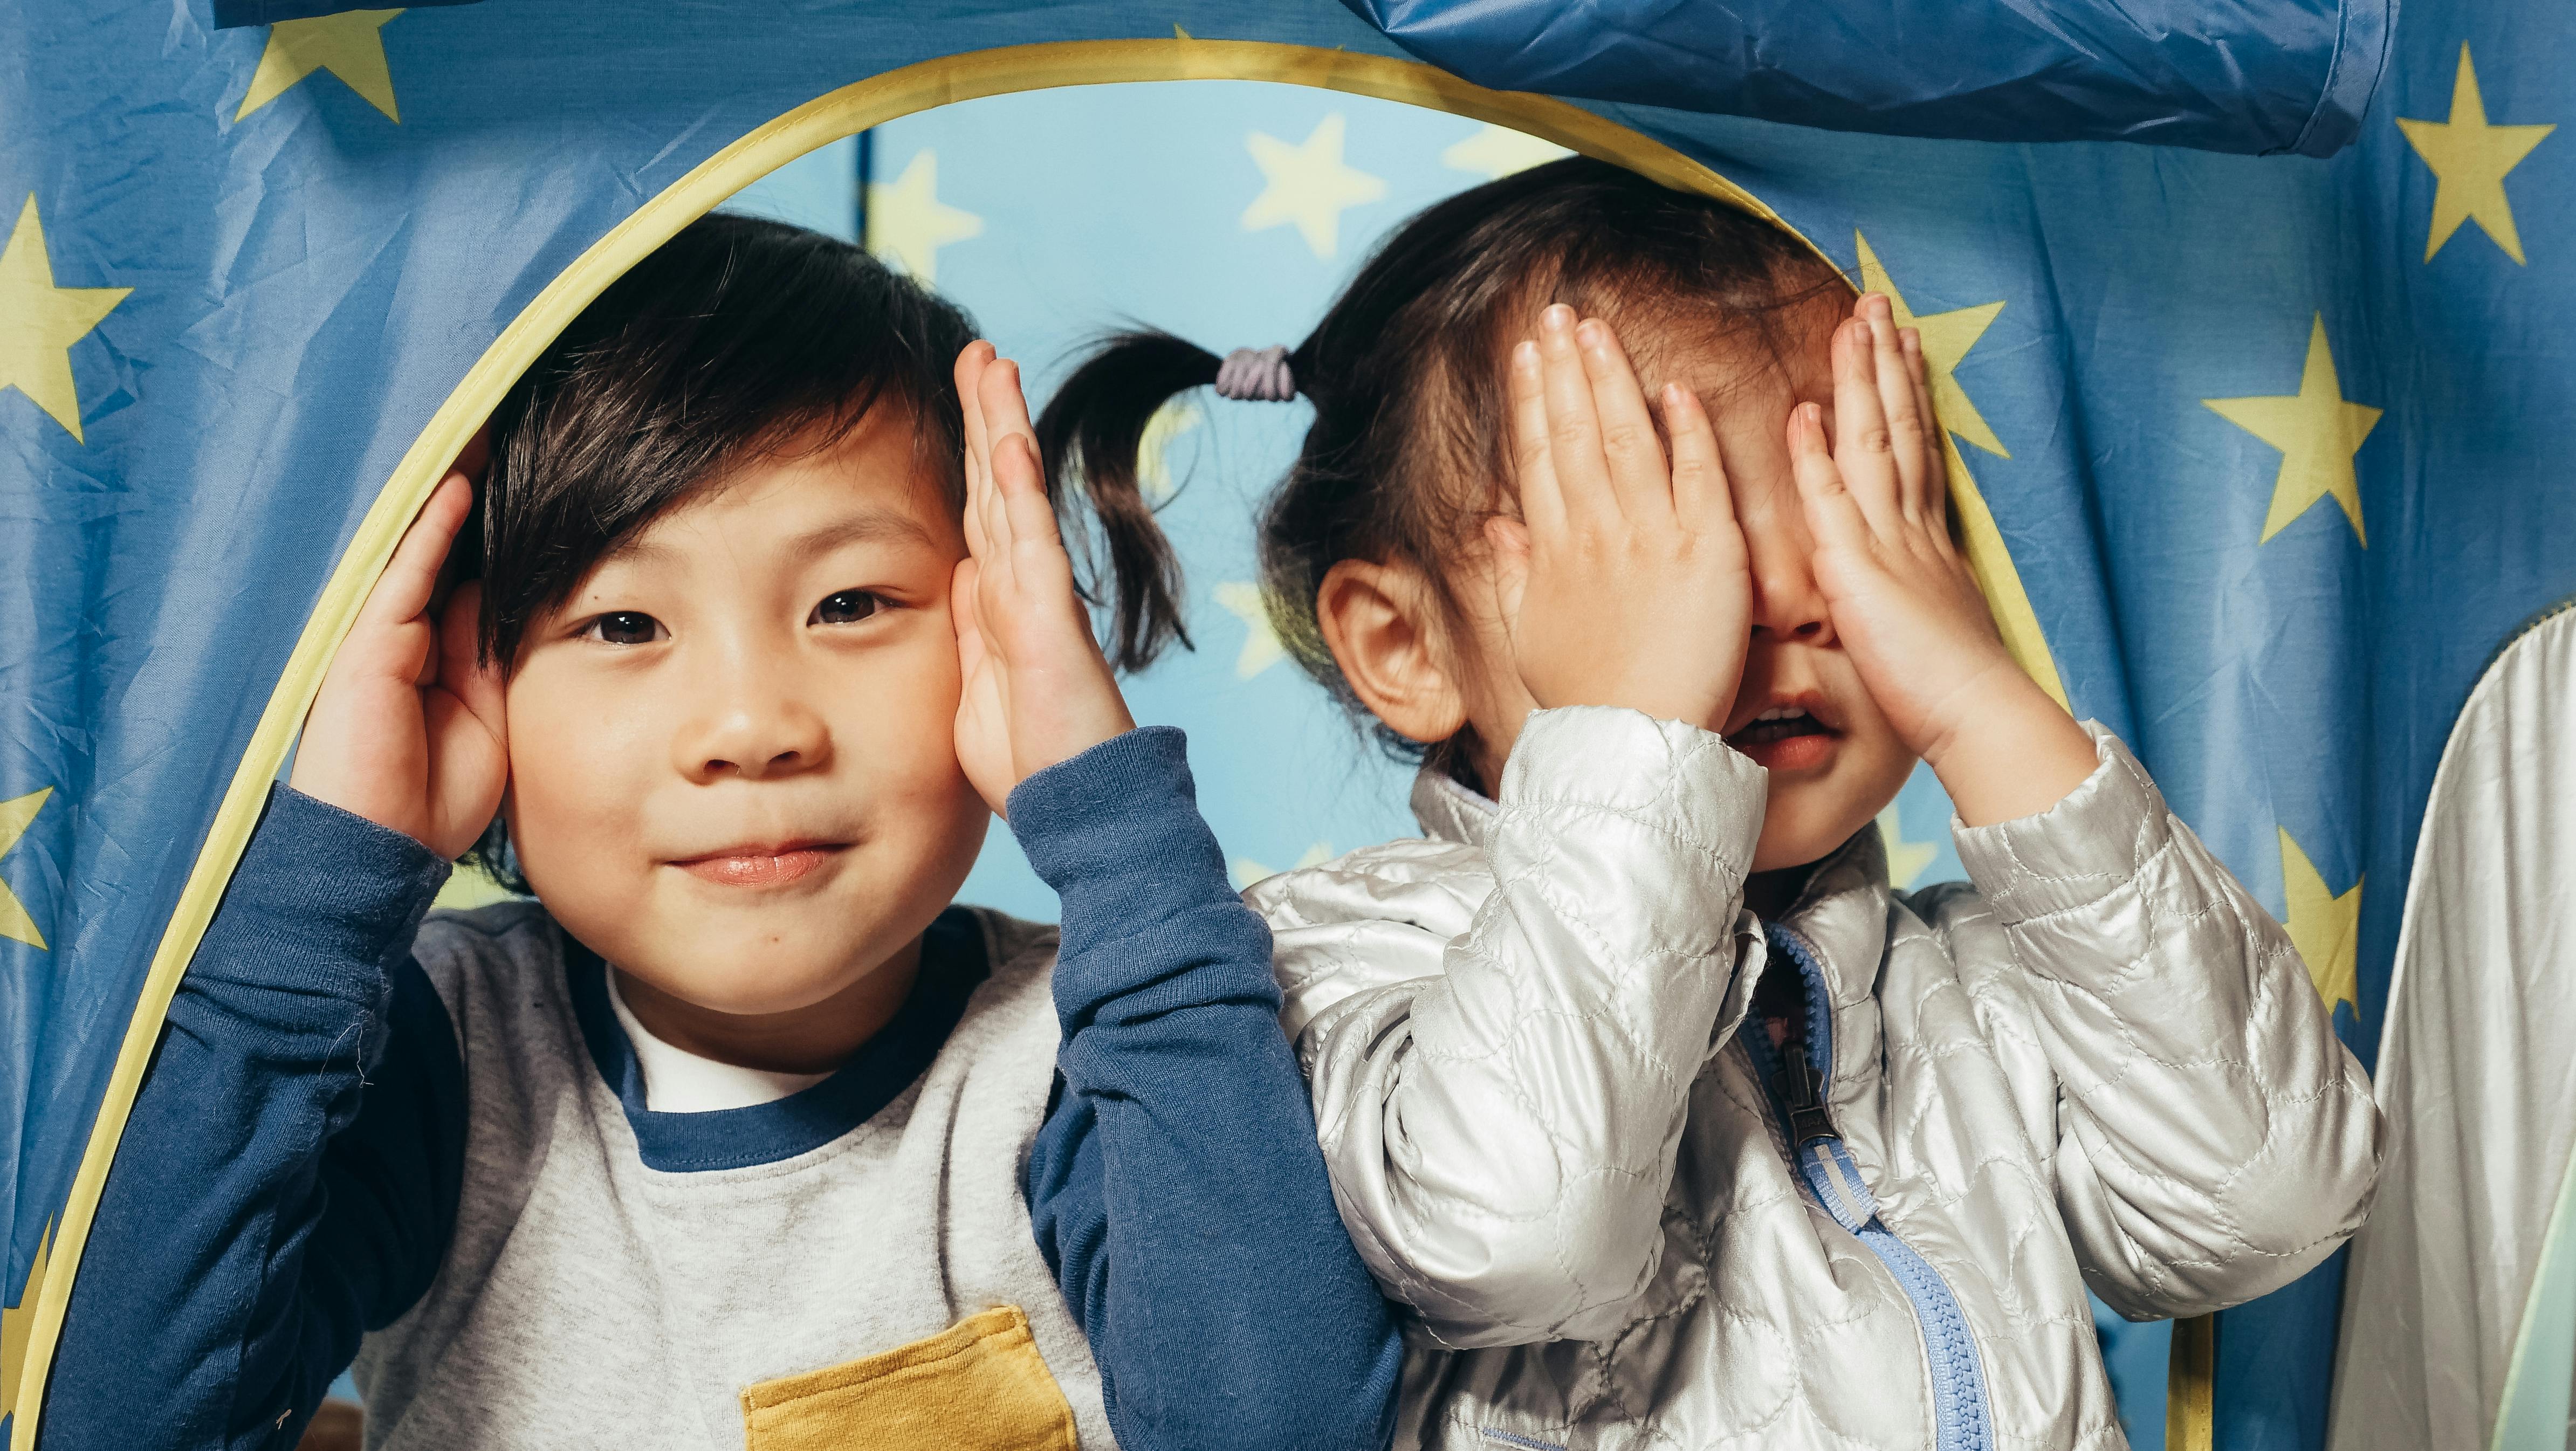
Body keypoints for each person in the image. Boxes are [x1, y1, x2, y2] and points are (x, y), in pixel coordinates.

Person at [1037, 158, 2381, 1450]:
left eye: (1852, 514)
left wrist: (1980, 698)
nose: (1792, 595)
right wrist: (1640, 737)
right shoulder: (1327, 969)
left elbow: (2268, 1194)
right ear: (1406, 644)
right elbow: (1521, 1230)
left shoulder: (1979, 978)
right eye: (1672, 541)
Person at [40, 214, 1402, 1451]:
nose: (752, 724)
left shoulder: (1096, 1050)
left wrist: (1115, 825)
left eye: (854, 603)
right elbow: (115, 1420)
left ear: (998, 630)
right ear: (472, 673)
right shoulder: (435, 1053)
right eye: (625, 623)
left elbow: (1278, 1422)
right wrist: (323, 885)